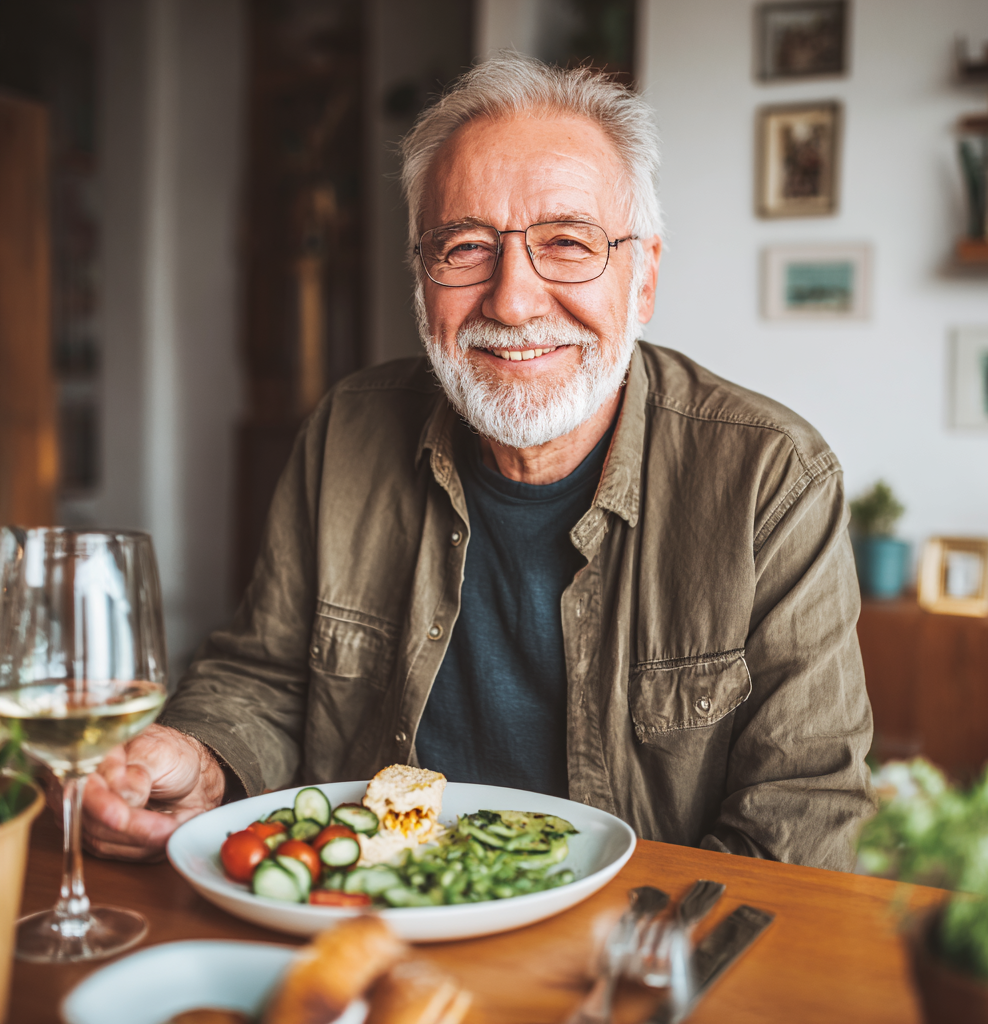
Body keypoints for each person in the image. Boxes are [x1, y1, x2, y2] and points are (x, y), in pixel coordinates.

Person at [79, 55, 874, 869]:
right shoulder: (344, 432)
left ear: (643, 279)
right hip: (371, 930)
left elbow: (802, 812)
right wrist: (203, 761)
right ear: (422, 281)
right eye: (463, 247)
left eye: (568, 243)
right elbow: (265, 675)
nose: (513, 300)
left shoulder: (774, 479)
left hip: (627, 967)